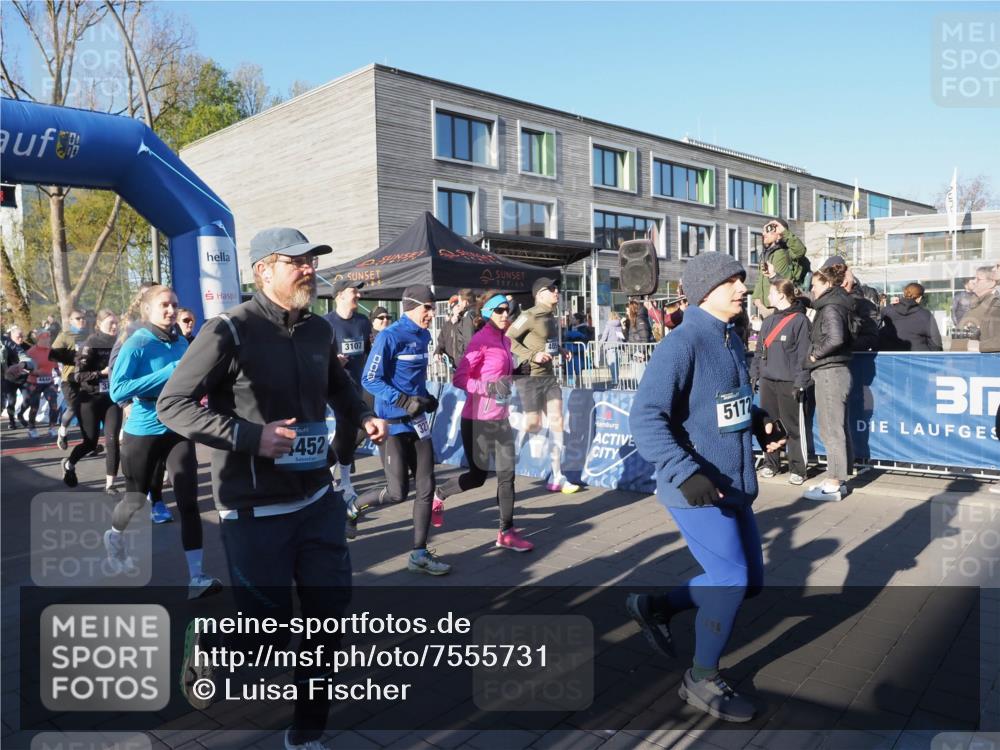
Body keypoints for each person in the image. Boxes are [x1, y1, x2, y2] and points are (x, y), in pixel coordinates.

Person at [158, 227, 386, 748]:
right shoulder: (228, 330)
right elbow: (172, 404)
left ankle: (306, 736)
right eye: (297, 261)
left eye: (312, 261)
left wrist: (364, 413)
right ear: (263, 269)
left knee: (328, 627)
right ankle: (212, 639)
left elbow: (337, 386)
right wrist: (250, 437)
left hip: (317, 502)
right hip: (255, 511)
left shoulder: (318, 331)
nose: (309, 269)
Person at [628, 252, 785, 723]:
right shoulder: (682, 342)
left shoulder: (731, 338)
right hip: (696, 488)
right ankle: (700, 677)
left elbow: (727, 403)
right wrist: (683, 472)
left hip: (735, 484)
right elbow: (646, 418)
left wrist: (758, 422)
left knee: (749, 583)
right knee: (730, 581)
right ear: (704, 291)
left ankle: (654, 605)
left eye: (742, 279)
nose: (743, 288)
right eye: (732, 281)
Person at [106, 285, 221, 598]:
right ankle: (115, 535)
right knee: (135, 500)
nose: (171, 311)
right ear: (149, 310)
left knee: (188, 503)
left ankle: (196, 577)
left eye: (174, 304)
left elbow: (188, 380)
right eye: (164, 306)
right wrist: (168, 373)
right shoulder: (137, 343)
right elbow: (117, 391)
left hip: (177, 429)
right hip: (142, 432)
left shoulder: (181, 341)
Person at [352, 283, 449, 574]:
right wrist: (404, 401)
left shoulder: (423, 335)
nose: (431, 314)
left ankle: (419, 553)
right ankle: (353, 507)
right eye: (427, 308)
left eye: (432, 308)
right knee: (397, 493)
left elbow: (415, 378)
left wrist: (426, 399)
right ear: (410, 307)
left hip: (417, 423)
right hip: (392, 425)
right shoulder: (390, 336)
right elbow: (370, 380)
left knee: (427, 485)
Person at [432, 292, 533, 551]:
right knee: (477, 477)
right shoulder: (480, 341)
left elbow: (504, 376)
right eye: (498, 310)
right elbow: (460, 379)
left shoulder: (505, 341)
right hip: (476, 419)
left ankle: (506, 531)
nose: (504, 314)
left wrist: (523, 370)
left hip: (501, 419)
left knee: (506, 476)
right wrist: (488, 388)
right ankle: (440, 493)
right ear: (487, 313)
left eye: (506, 310)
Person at [506, 277, 580, 494]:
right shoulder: (528, 315)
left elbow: (547, 343)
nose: (557, 292)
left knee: (557, 421)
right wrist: (532, 355)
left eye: (557, 288)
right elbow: (509, 338)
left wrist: (561, 350)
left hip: (549, 377)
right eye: (552, 289)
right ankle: (510, 455)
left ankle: (557, 476)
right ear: (539, 294)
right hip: (529, 378)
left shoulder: (552, 316)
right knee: (533, 423)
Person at [751, 278, 812, 485]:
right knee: (769, 425)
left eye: (771, 292)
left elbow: (804, 354)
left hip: (790, 382)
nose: (768, 296)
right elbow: (759, 352)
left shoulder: (800, 321)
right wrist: (754, 374)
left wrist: (801, 381)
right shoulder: (768, 321)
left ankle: (798, 468)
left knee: (793, 428)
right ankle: (771, 464)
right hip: (768, 381)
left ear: (781, 295)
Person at [803, 265, 855, 502]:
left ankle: (834, 482)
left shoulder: (831, 306)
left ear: (825, 284)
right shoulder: (836, 303)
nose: (811, 289)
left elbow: (836, 338)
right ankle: (836, 476)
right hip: (833, 370)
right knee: (835, 426)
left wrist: (815, 355)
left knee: (831, 428)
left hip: (830, 371)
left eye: (814, 285)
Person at [62, 310, 123, 493]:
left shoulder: (121, 342)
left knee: (112, 440)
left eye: (116, 323)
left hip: (111, 398)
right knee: (90, 442)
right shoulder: (91, 343)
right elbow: (78, 375)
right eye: (110, 323)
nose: (114, 326)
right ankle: (69, 464)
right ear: (99, 325)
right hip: (89, 398)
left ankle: (110, 484)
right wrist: (100, 373)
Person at [322, 278, 372, 501]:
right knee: (345, 427)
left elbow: (368, 353)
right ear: (340, 295)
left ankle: (327, 471)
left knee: (350, 433)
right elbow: (317, 358)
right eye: (354, 292)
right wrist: (333, 361)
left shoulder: (363, 322)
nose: (358, 296)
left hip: (359, 386)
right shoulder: (325, 324)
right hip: (335, 386)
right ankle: (345, 482)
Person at [750, 218, 809, 316]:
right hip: (765, 309)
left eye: (768, 230)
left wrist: (784, 232)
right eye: (764, 230)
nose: (764, 234)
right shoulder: (765, 254)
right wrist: (757, 302)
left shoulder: (787, 252)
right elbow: (760, 279)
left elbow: (800, 251)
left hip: (783, 308)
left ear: (778, 233)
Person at [50, 309, 89, 451]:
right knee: (73, 408)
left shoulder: (89, 335)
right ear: (70, 321)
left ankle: (89, 443)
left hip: (87, 378)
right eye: (78, 318)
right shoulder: (65, 335)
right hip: (70, 379)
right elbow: (53, 355)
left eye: (83, 318)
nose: (81, 321)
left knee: (87, 410)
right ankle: (62, 432)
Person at [878, 283, 943, 352]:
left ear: (904, 294)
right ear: (919, 298)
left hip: (889, 359)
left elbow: (875, 332)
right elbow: (936, 344)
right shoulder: (926, 315)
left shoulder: (887, 310)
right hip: (918, 359)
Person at [22, 330, 60, 439]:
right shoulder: (31, 352)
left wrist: (57, 371)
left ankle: (52, 428)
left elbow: (55, 363)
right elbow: (24, 367)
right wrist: (34, 372)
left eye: (49, 338)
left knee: (54, 404)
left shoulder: (51, 350)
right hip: (34, 382)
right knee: (34, 407)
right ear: (39, 339)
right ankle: (31, 428)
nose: (48, 340)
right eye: (45, 338)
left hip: (48, 382)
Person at [956, 265, 1000, 352]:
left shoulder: (995, 304)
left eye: (978, 279)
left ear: (991, 282)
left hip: (984, 361)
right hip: (962, 360)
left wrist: (980, 346)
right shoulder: (975, 302)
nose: (974, 282)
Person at [2, 326, 30, 429]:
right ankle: (12, 421)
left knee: (28, 398)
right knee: (11, 401)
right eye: (18, 336)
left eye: (22, 336)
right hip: (10, 379)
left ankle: (21, 414)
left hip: (24, 378)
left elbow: (33, 361)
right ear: (12, 337)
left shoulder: (27, 346)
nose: (21, 338)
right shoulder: (5, 346)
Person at [598, 311, 625, 385]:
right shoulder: (619, 325)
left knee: (612, 365)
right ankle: (617, 380)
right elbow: (620, 337)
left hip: (610, 348)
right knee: (616, 366)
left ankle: (615, 381)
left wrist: (598, 345)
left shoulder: (608, 325)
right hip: (618, 347)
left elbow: (604, 337)